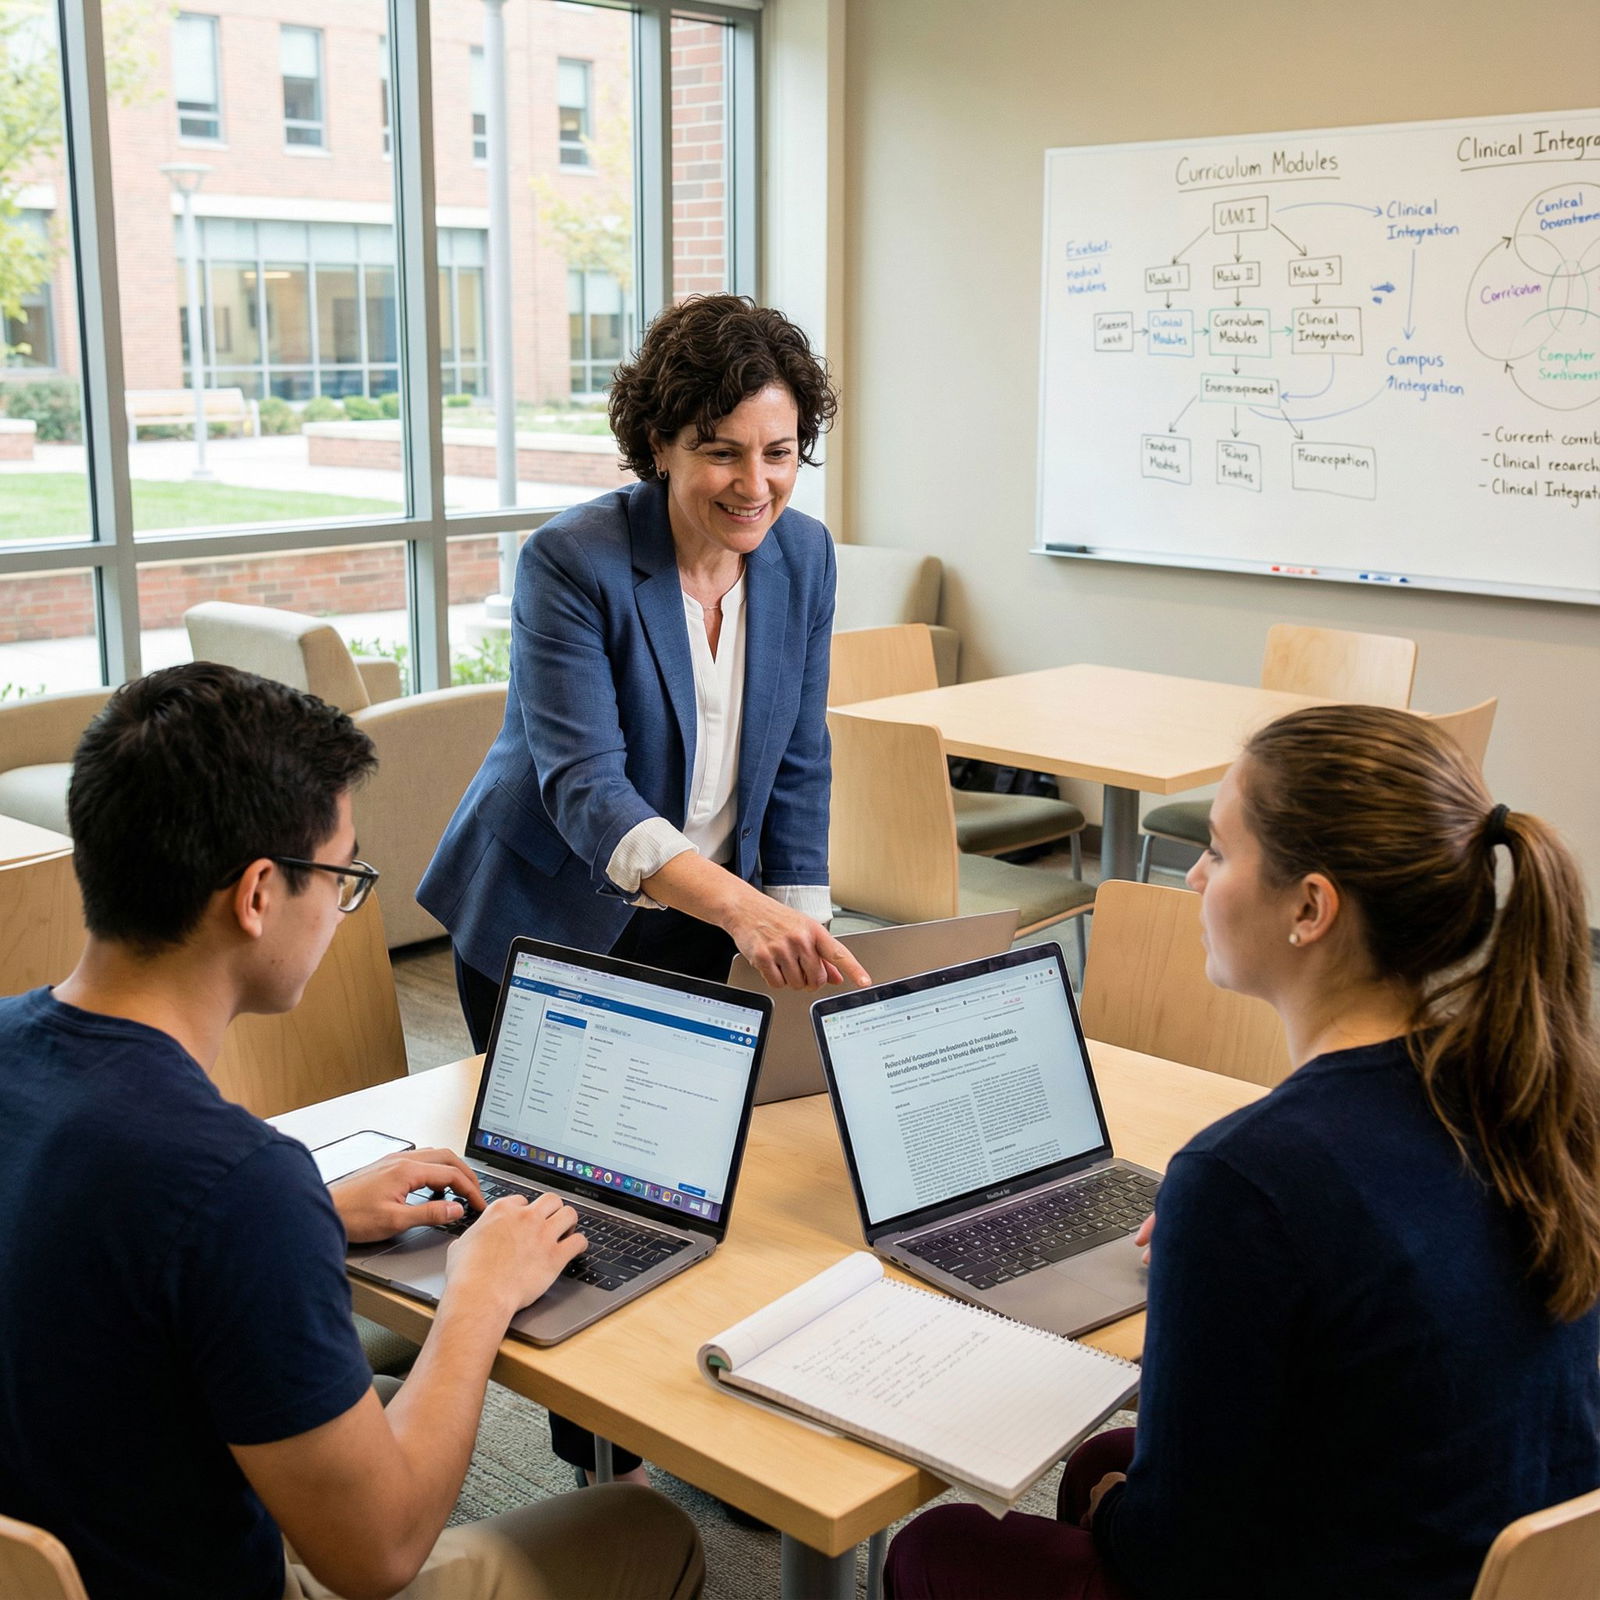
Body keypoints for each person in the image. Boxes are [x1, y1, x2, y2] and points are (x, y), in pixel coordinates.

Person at [0, 662, 704, 1600]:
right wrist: (478, 1297)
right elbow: (377, 1555)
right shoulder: (237, 1179)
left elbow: (90, 1238)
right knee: (646, 1529)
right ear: (257, 895)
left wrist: (316, 1217)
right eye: (342, 877)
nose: (340, 907)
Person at [884, 704, 1600, 1600]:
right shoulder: (1522, 1085)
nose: (1192, 876)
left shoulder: (1247, 1175)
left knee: (939, 1544)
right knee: (1109, 1452)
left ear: (1309, 907)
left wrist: (1113, 1508)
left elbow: (1175, 1555)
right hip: (1507, 1554)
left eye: (1219, 850)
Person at [419, 293, 870, 1481]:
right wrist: (739, 905)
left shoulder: (805, 556)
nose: (753, 483)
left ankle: (719, 1433)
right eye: (719, 449)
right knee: (575, 1210)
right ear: (660, 442)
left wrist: (801, 924)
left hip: (708, 910)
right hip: (549, 915)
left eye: (777, 452)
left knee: (714, 1179)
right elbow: (584, 786)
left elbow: (801, 751)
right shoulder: (575, 560)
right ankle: (597, 1474)